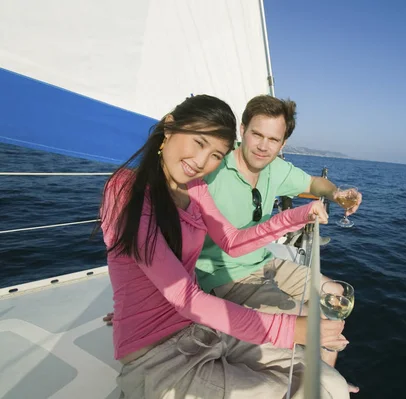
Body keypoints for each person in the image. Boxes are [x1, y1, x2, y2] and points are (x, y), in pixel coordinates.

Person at [99, 94, 350, 398]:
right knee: (291, 390)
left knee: (329, 384)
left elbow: (232, 242)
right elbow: (182, 295)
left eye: (217, 155)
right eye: (199, 142)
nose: (202, 163)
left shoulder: (195, 187)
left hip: (202, 331)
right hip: (157, 356)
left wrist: (297, 216)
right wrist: (288, 329)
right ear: (169, 128)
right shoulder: (126, 190)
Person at [194, 95, 362, 391]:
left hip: (265, 261)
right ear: (242, 130)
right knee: (320, 326)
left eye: (273, 139)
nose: (263, 146)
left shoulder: (275, 168)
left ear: (283, 144)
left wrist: (336, 193)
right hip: (227, 275)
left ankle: (320, 376)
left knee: (334, 293)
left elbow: (314, 184)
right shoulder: (215, 168)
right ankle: (324, 384)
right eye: (256, 134)